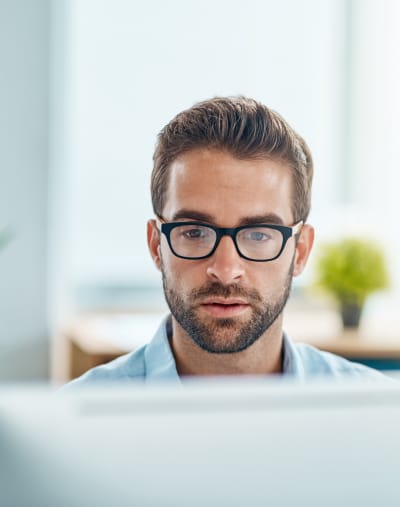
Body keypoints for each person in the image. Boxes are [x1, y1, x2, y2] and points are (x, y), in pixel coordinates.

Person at [67, 96, 388, 385]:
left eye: (259, 235)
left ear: (300, 250)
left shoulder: (381, 414)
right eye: (194, 232)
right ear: (156, 245)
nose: (225, 270)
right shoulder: (73, 420)